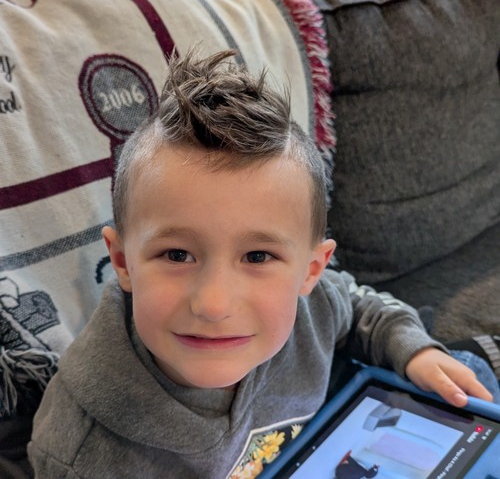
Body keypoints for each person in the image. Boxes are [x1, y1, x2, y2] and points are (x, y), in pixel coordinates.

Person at [28, 50, 499, 478]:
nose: (214, 304)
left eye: (257, 256)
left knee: (469, 382)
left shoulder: (316, 305)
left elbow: (360, 309)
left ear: (311, 270)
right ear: (122, 261)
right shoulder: (79, 454)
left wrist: (413, 351)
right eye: (177, 255)